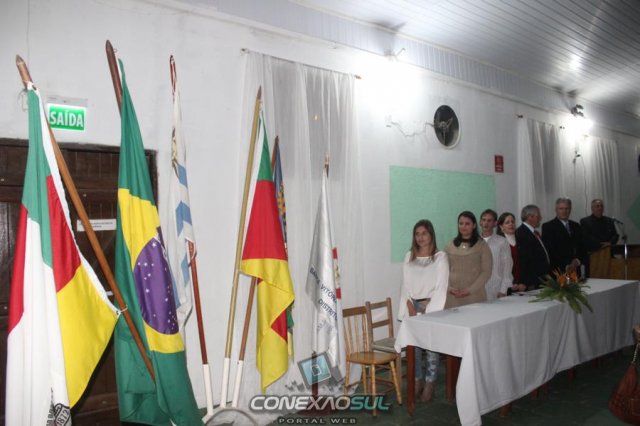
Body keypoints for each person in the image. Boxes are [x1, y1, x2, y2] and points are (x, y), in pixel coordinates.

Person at [397, 220, 449, 402]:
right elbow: (404, 284)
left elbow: (442, 286)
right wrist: (409, 306)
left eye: (424, 233)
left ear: (431, 235)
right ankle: (417, 379)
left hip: (432, 306)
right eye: (417, 234)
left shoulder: (440, 257)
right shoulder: (409, 256)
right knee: (416, 347)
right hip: (412, 306)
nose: (420, 237)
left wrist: (430, 310)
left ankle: (430, 383)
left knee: (431, 347)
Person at [445, 211, 492, 308]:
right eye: (461, 223)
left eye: (467, 224)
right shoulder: (450, 245)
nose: (463, 226)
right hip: (453, 297)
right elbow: (443, 271)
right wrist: (449, 288)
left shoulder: (482, 245)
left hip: (475, 296)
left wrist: (469, 290)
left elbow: (486, 272)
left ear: (474, 225)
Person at [541, 197, 587, 275]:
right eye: (561, 208)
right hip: (559, 271)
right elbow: (550, 251)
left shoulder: (576, 226)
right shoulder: (548, 227)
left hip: (576, 269)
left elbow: (582, 247)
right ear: (556, 210)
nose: (564, 211)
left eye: (567, 208)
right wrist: (567, 265)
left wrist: (577, 261)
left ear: (570, 210)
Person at [479, 209, 513, 299]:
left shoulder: (502, 242)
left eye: (489, 220)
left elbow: (507, 267)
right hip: (477, 291)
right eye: (484, 220)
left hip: (496, 290)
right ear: (480, 222)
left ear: (495, 223)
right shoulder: (474, 242)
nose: (486, 223)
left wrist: (503, 290)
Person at [516, 204, 551, 290]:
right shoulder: (521, 233)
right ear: (530, 217)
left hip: (542, 280)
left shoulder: (535, 233)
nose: (540, 218)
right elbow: (524, 260)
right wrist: (529, 283)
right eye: (538, 216)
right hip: (532, 283)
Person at [497, 212, 526, 292]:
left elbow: (526, 263)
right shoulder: (499, 243)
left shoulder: (522, 241)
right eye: (507, 222)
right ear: (501, 226)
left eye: (512, 222)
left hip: (522, 285)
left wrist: (524, 282)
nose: (511, 224)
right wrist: (510, 284)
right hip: (505, 287)